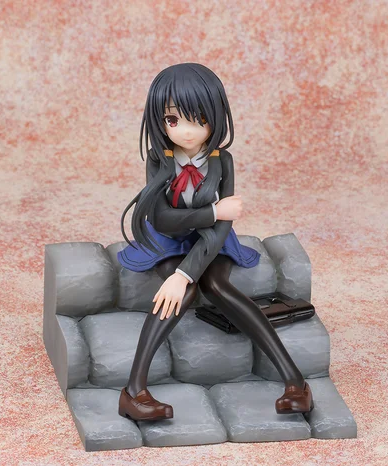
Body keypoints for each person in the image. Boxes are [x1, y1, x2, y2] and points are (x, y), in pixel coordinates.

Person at [116, 63, 313, 421]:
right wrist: (211, 216)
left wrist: (189, 267)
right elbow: (162, 218)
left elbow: (221, 228)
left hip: (212, 240)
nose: (187, 131)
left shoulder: (223, 161)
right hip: (168, 240)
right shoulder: (160, 159)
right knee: (183, 292)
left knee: (218, 286)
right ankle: (133, 391)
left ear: (216, 117)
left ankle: (295, 383)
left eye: (200, 119)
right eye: (173, 120)